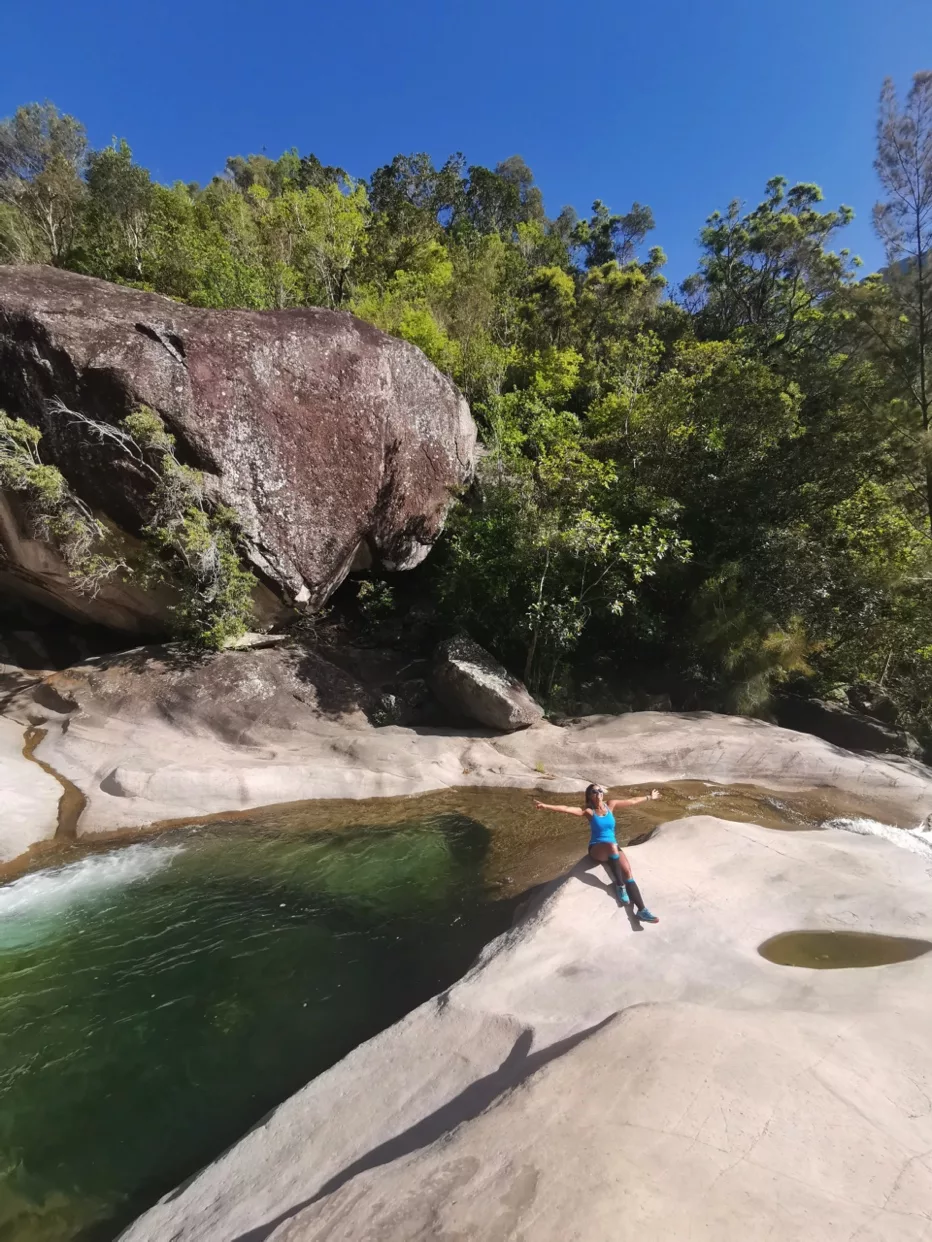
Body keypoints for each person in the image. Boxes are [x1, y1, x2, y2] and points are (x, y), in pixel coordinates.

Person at [533, 783, 661, 922]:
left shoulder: (610, 805)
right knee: (612, 848)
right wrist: (546, 806)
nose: (598, 792)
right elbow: (567, 809)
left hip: (613, 846)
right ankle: (619, 885)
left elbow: (631, 801)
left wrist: (650, 797)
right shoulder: (589, 811)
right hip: (596, 848)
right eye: (594, 791)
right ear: (589, 796)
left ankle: (642, 910)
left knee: (628, 873)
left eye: (600, 790)